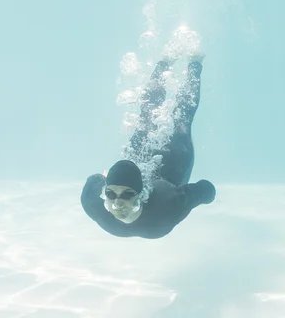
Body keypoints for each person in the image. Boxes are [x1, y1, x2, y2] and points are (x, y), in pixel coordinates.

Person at [80, 50, 216, 239]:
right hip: (169, 166)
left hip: (172, 167)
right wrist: (106, 179)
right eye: (110, 194)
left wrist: (206, 196)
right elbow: (94, 181)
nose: (118, 204)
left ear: (139, 195)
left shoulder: (168, 205)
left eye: (127, 195)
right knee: (171, 120)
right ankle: (177, 62)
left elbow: (205, 189)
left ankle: (187, 61)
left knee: (158, 119)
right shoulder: (94, 204)